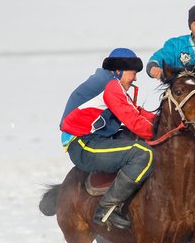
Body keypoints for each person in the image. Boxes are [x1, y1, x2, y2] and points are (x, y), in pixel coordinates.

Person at [60, 48, 156, 229]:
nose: (135, 78)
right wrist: (163, 133)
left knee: (140, 142)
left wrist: (163, 122)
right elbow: (133, 121)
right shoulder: (111, 85)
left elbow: (136, 112)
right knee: (144, 154)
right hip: (83, 144)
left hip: (97, 138)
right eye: (133, 73)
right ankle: (106, 209)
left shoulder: (109, 82)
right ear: (119, 70)